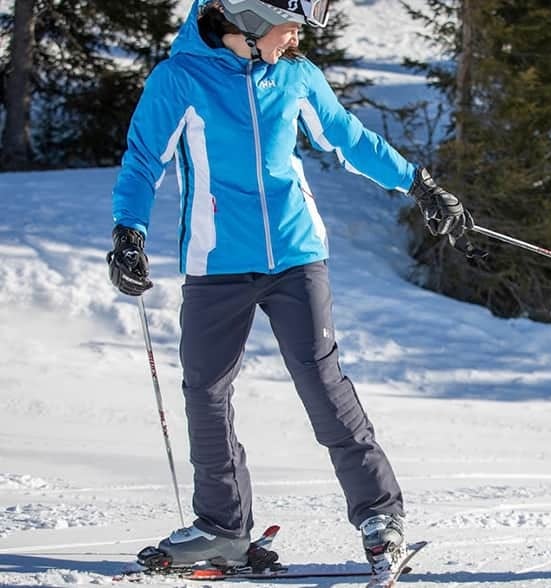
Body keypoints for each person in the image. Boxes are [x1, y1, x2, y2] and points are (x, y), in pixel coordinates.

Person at [106, 0, 478, 577]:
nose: (295, 41)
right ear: (249, 22)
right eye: (289, 28)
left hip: (296, 255)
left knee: (321, 381)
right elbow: (142, 161)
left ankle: (381, 516)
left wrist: (419, 184)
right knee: (206, 392)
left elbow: (349, 138)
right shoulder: (180, 78)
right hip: (216, 261)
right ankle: (221, 529)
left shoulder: (296, 75)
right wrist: (128, 232)